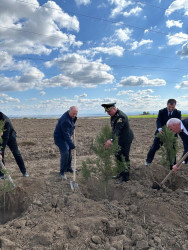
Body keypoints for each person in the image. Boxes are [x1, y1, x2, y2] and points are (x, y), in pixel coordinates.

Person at [101, 103, 134, 184]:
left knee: (124, 157)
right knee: (117, 155)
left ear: (114, 108)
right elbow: (114, 129)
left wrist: (111, 140)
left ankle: (125, 177)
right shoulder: (113, 115)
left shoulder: (121, 117)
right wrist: (111, 139)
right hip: (118, 139)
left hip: (126, 139)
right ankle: (121, 172)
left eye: (109, 111)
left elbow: (117, 130)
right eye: (107, 112)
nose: (108, 113)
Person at [145, 99, 181, 168]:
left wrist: (173, 131)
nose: (170, 108)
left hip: (172, 135)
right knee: (154, 147)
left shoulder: (178, 112)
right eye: (169, 107)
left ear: (175, 106)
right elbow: (158, 121)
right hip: (161, 133)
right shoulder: (161, 111)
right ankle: (148, 161)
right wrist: (160, 129)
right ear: (167, 104)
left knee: (172, 150)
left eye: (172, 107)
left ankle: (172, 165)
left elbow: (178, 123)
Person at [0, 112, 29, 179]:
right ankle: (1, 174)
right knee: (1, 156)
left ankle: (24, 172)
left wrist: (0, 151)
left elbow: (5, 138)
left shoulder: (5, 121)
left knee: (16, 153)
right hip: (1, 137)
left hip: (10, 137)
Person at [54, 106, 78, 180]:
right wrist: (72, 145)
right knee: (65, 153)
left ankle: (68, 168)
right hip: (60, 138)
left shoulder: (70, 116)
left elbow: (72, 122)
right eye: (73, 114)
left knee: (69, 153)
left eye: (76, 114)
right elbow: (66, 135)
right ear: (69, 111)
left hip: (65, 137)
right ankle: (62, 172)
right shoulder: (65, 120)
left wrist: (72, 127)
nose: (74, 115)